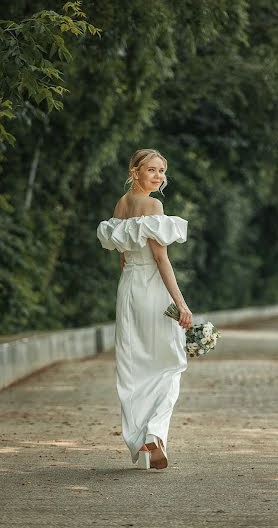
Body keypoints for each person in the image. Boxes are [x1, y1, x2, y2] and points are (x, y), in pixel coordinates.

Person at [96, 148, 193, 470]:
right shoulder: (153, 206)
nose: (159, 176)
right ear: (134, 171)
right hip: (152, 290)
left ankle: (141, 438)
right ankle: (155, 433)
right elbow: (161, 258)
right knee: (171, 364)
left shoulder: (121, 205)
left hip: (128, 291)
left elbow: (123, 257)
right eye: (152, 170)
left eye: (163, 171)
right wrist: (181, 304)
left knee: (133, 367)